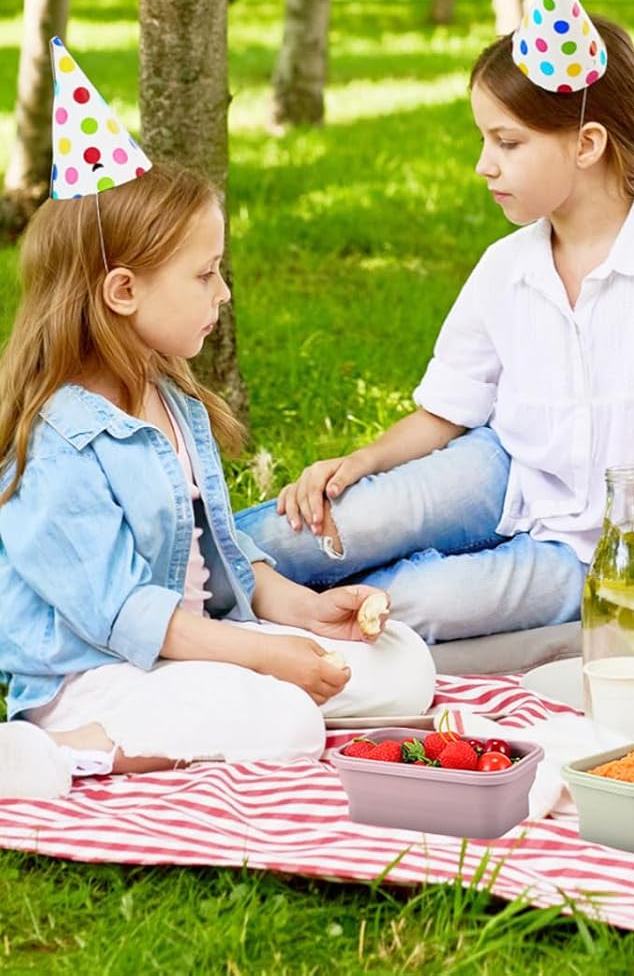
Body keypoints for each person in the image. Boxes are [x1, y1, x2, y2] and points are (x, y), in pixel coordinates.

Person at [236, 0, 634, 649]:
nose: (485, 164)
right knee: (324, 526)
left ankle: (272, 616)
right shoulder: (506, 267)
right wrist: (362, 462)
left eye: (507, 143)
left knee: (417, 603)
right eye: (485, 140)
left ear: (588, 144)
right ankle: (177, 576)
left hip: (593, 552)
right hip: (502, 472)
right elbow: (448, 410)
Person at [0, 42, 435, 801]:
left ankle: (223, 710)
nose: (223, 293)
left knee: (406, 667)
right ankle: (62, 749)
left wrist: (306, 613)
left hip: (194, 654)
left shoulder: (169, 396)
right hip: (99, 676)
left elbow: (223, 554)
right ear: (123, 292)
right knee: (288, 721)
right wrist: (264, 659)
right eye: (205, 275)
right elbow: (125, 617)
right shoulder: (57, 444)